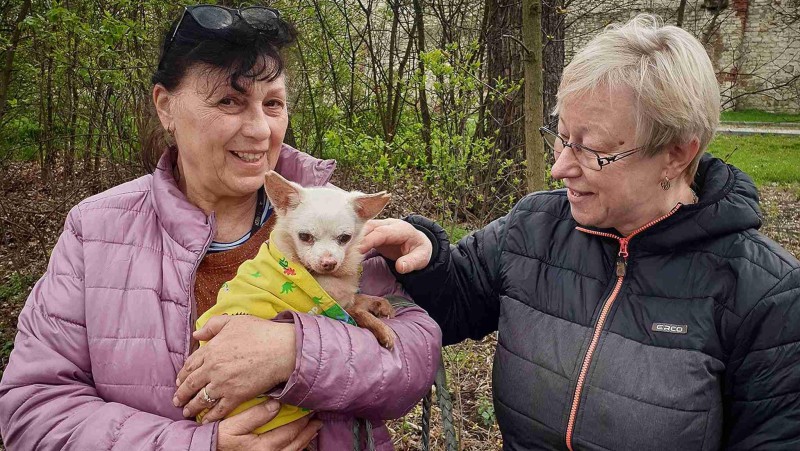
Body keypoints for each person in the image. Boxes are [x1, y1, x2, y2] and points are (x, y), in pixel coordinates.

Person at [0, 5, 440, 450]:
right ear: (165, 106)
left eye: (272, 103)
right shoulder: (96, 231)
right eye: (229, 101)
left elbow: (414, 361)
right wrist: (200, 445)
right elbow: (33, 410)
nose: (259, 129)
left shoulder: (333, 212)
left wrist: (295, 352)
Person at [360, 14, 800, 450]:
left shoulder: (767, 296)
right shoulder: (534, 228)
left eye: (593, 150)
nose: (559, 168)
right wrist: (428, 259)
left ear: (676, 155)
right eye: (562, 135)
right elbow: (454, 307)